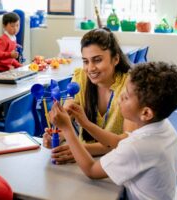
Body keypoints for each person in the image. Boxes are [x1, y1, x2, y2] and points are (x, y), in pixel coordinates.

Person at [49, 62, 177, 199]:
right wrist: (86, 123)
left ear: (146, 113)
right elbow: (119, 141)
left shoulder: (136, 147)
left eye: (126, 97)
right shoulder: (164, 126)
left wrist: (67, 129)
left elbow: (92, 170)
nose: (120, 97)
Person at [43, 28, 137, 164]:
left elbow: (127, 142)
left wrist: (79, 149)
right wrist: (58, 135)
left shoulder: (130, 85)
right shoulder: (80, 77)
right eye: (86, 61)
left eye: (97, 60)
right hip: (83, 163)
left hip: (118, 163)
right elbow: (66, 120)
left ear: (115, 59)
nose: (90, 68)